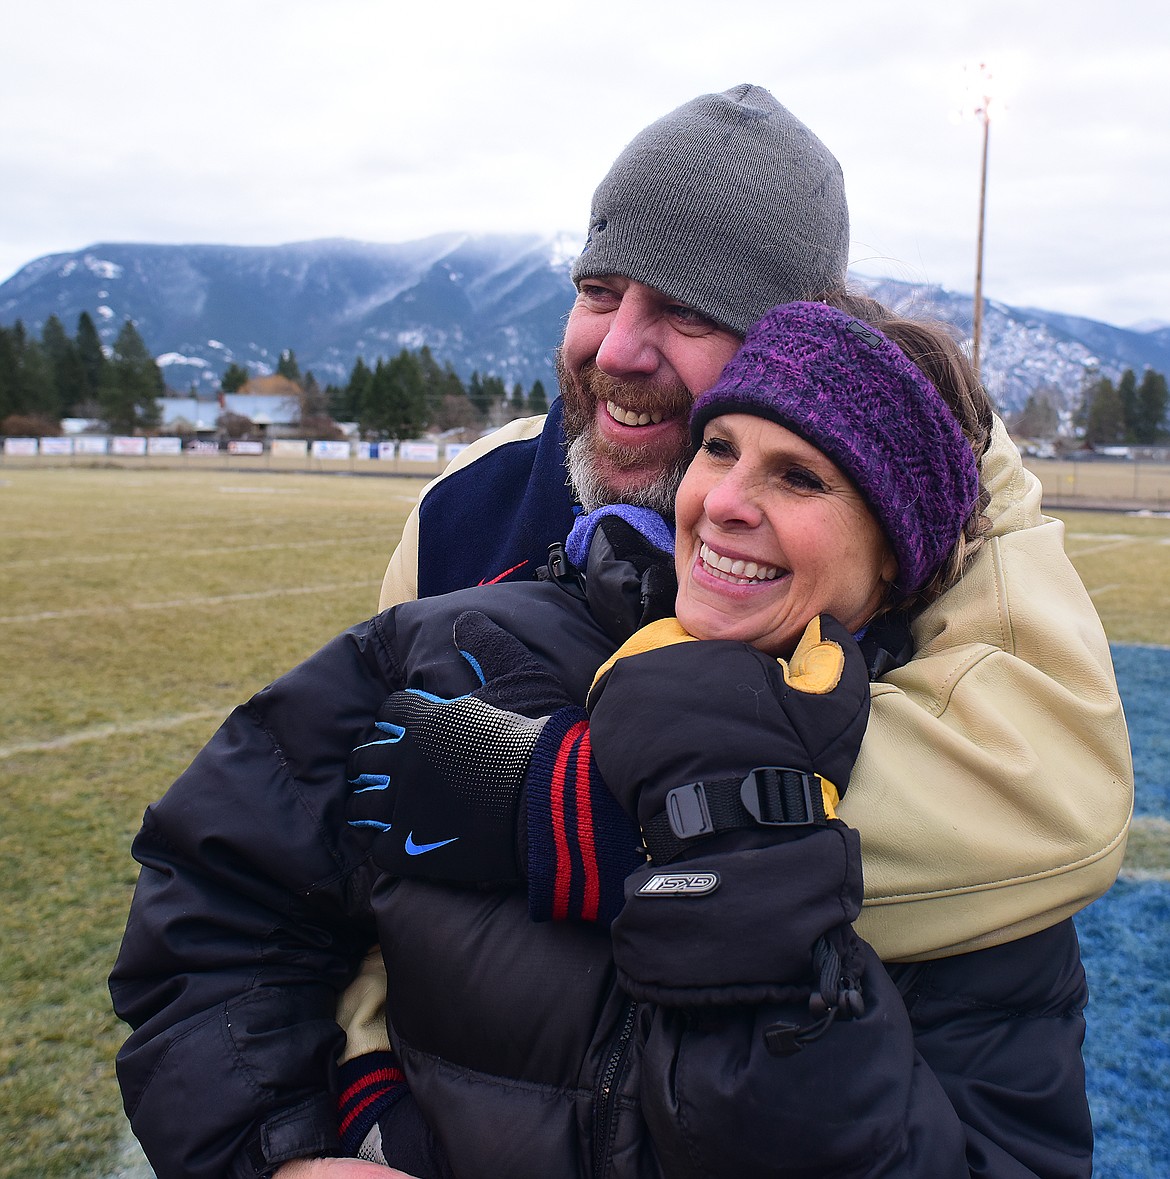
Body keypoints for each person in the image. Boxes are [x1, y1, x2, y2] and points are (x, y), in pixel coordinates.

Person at [110, 298, 1096, 1179]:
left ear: (896, 556)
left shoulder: (981, 860)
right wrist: (303, 1149)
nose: (729, 503)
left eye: (799, 477)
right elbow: (219, 889)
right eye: (720, 449)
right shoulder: (478, 642)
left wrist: (740, 868)